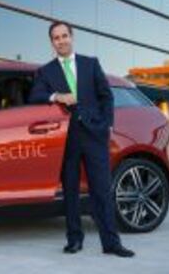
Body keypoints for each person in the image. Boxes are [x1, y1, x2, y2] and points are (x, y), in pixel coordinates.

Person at [28, 21, 135, 257]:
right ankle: (74, 239)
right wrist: (57, 96)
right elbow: (34, 96)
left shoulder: (90, 63)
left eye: (64, 35)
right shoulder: (45, 71)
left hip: (94, 134)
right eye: (56, 38)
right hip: (66, 138)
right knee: (71, 191)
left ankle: (111, 243)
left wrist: (106, 126)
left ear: (72, 37)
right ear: (52, 42)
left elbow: (106, 97)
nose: (61, 40)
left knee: (102, 190)